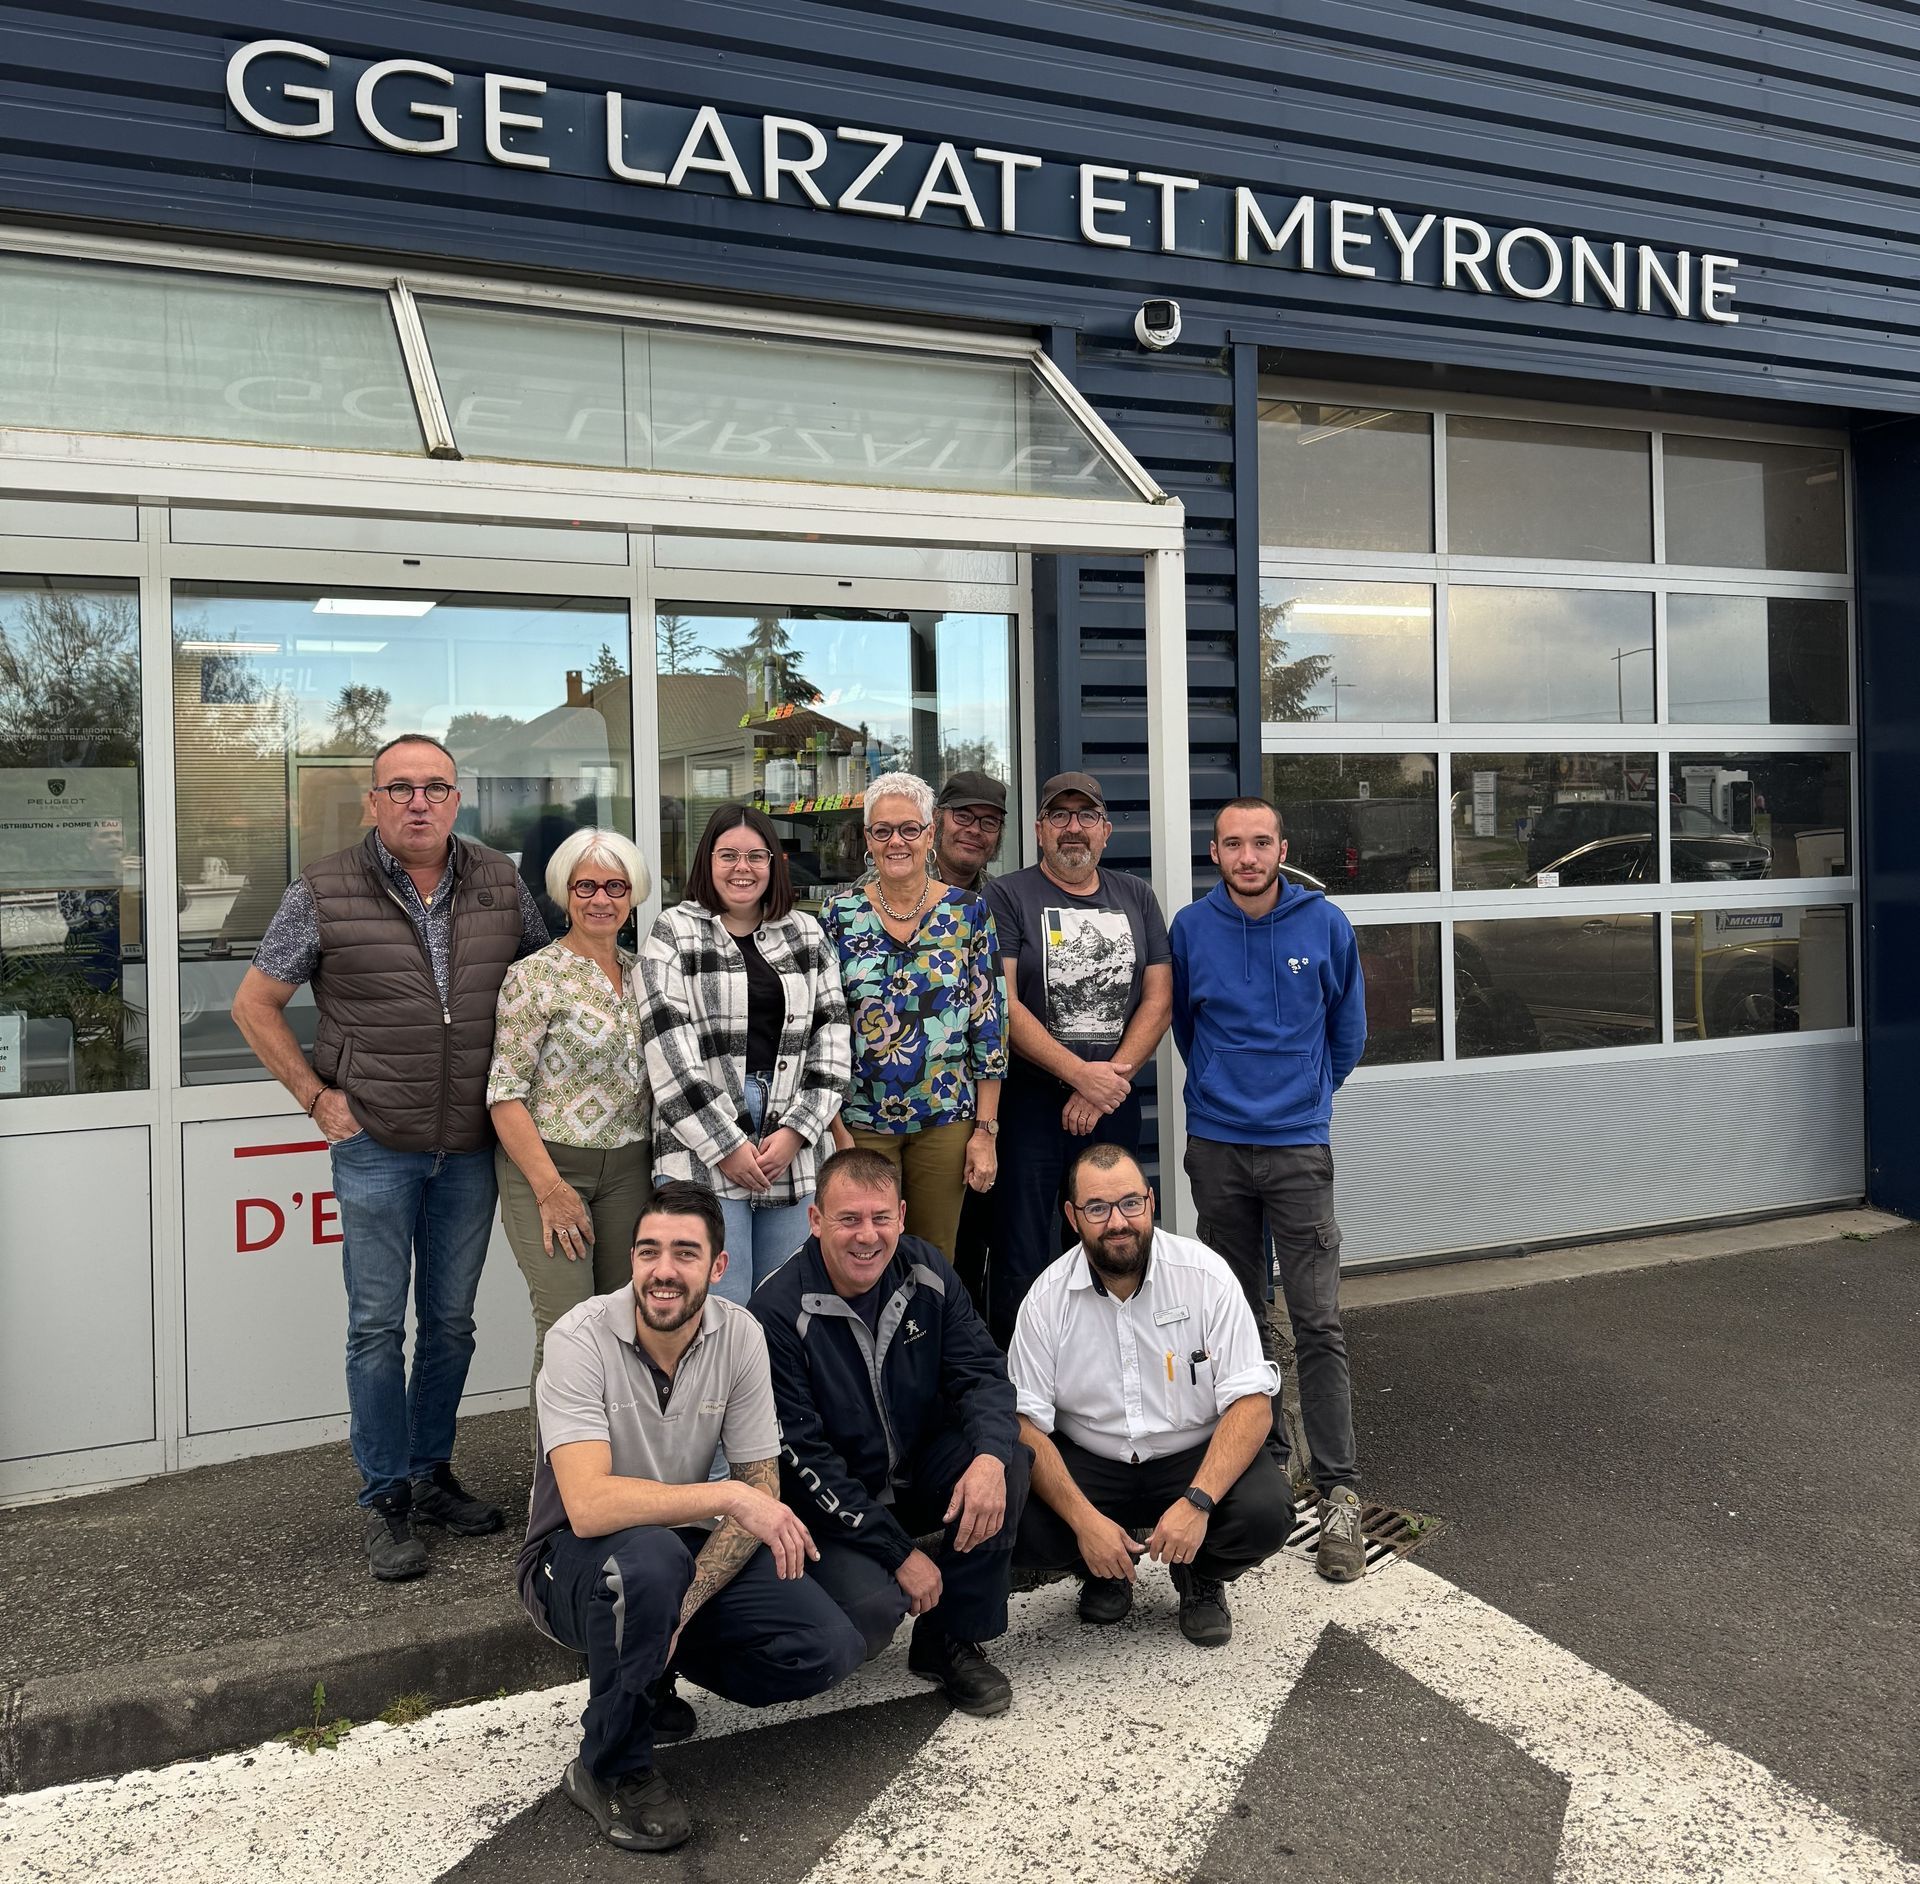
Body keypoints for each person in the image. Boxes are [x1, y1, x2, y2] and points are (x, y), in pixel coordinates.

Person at [229, 733, 547, 1581]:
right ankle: (383, 1499)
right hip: (375, 1144)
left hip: (473, 1146)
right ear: (373, 802)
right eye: (399, 788)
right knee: (376, 1329)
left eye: (435, 787)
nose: (418, 802)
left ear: (457, 799)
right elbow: (255, 1004)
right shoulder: (324, 890)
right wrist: (315, 1096)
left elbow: (548, 985)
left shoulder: (501, 882)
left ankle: (430, 1472)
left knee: (450, 1324)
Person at [518, 1182, 866, 1854]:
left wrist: (683, 1611)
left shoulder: (738, 1334)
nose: (663, 1270)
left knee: (823, 1647)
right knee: (649, 1563)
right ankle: (608, 1766)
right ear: (632, 1260)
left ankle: (648, 1669)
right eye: (649, 1251)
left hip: (673, 1552)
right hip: (571, 1560)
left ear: (717, 1267)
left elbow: (760, 1479)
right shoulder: (579, 1340)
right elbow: (589, 1507)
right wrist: (725, 1497)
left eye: (684, 1252)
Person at [750, 1147, 1029, 1716]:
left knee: (1010, 1460)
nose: (866, 1236)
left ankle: (948, 1640)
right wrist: (898, 1552)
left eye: (880, 1218)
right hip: (833, 1501)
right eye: (848, 1219)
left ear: (902, 1216)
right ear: (816, 1220)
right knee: (870, 1612)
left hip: (918, 1469)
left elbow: (983, 1375)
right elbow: (802, 1459)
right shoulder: (774, 1311)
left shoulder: (927, 1269)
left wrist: (989, 1460)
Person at [1170, 795, 1369, 1583]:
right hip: (1218, 1147)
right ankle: (1268, 1461)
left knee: (1318, 1323)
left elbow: (1346, 1031)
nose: (1248, 857)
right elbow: (1188, 1027)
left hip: (1296, 1150)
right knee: (1237, 1319)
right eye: (1232, 844)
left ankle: (1341, 1491)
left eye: (1261, 843)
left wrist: (1308, 1098)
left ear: (1282, 847)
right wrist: (1222, 1089)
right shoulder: (1192, 930)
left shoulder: (1326, 926)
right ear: (1214, 854)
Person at [1010, 1143, 1294, 1646]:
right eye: (1097, 1209)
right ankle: (1103, 1567)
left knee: (1265, 1513)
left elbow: (1252, 1404)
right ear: (1073, 1218)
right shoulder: (1045, 1299)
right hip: (1094, 1461)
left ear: (1152, 1203)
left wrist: (1199, 1503)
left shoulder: (1205, 1277)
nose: (1117, 1222)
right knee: (1015, 1516)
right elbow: (1024, 1424)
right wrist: (1083, 1522)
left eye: (1130, 1203)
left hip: (1191, 1455)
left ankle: (1199, 1574)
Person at [985, 771, 1172, 1347]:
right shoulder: (1008, 895)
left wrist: (1104, 1084)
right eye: (1059, 817)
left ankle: (1111, 1369)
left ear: (1106, 831)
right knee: (1024, 1249)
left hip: (1112, 1102)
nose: (1073, 829)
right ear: (1039, 830)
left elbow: (1159, 998)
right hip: (1031, 1107)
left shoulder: (1136, 895)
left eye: (1086, 816)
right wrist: (1079, 1076)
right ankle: (1022, 1392)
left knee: (1112, 1237)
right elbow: (1004, 1002)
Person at [639, 803, 851, 1302]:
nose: (742, 868)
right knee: (716, 1308)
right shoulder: (673, 932)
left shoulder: (807, 932)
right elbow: (667, 1049)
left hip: (792, 1147)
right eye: (728, 855)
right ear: (706, 862)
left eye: (756, 856)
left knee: (789, 1308)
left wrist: (798, 1131)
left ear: (775, 862)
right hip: (697, 1145)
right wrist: (726, 1144)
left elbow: (833, 1038)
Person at [489, 828, 655, 1402]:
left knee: (621, 1325)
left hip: (631, 1171)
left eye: (615, 886)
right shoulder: (534, 975)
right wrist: (549, 1187)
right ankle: (557, 1486)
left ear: (633, 895)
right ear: (564, 893)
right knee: (567, 1329)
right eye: (586, 886)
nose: (601, 899)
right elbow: (504, 1093)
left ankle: (614, 1476)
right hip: (550, 1169)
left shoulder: (645, 973)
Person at [820, 772, 1006, 1264]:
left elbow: (988, 1024)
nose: (896, 841)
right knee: (862, 1254)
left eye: (908, 829)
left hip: (945, 1121)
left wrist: (985, 1132)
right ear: (867, 840)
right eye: (882, 831)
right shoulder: (838, 916)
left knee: (933, 1260)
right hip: (861, 1120)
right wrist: (836, 1129)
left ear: (929, 835)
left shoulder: (969, 914)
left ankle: (923, 1343)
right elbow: (824, 1027)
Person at [929, 771, 1008, 1310]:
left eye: (989, 822)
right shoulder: (874, 893)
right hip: (893, 1114)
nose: (975, 831)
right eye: (964, 817)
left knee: (971, 1248)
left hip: (977, 1110)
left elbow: (993, 1017)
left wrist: (986, 1125)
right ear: (935, 821)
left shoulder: (999, 902)